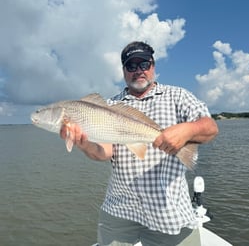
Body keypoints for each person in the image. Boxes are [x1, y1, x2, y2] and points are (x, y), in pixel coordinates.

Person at [60, 41, 218, 246]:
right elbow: (104, 152)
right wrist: (84, 144)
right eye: (131, 66)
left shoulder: (178, 96)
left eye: (144, 64)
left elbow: (210, 127)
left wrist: (188, 130)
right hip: (119, 209)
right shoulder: (110, 106)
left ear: (153, 66)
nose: (139, 71)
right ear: (124, 70)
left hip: (168, 211)